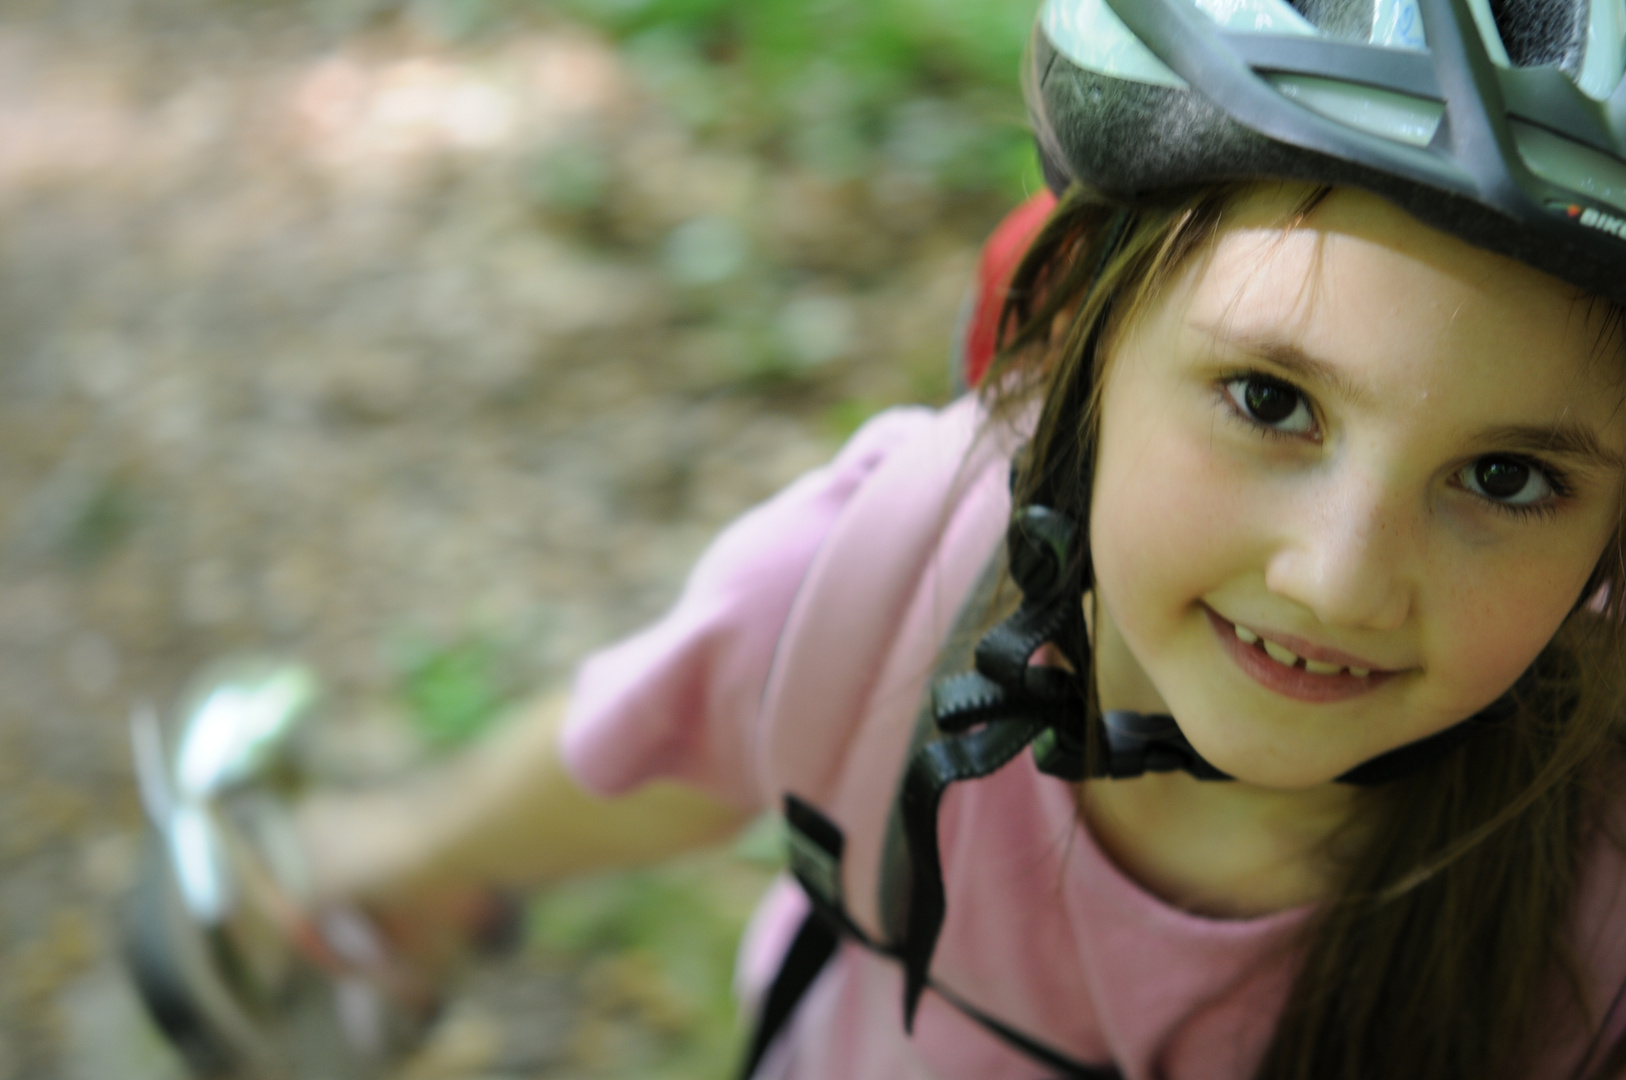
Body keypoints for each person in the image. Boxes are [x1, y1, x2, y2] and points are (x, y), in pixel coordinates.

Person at [135, 0, 1626, 1074]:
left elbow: (660, 749)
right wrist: (381, 864)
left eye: (1505, 480)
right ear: (1074, 352)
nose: (1340, 578)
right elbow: (667, 743)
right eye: (1266, 398)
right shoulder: (890, 572)